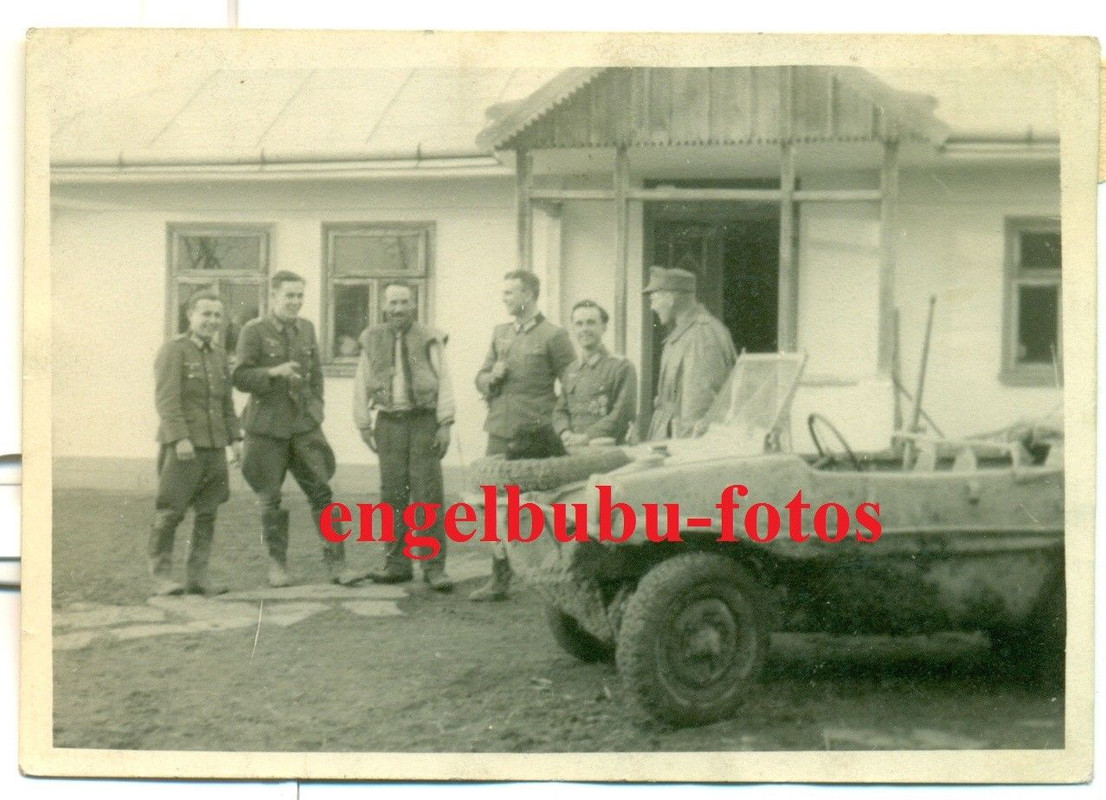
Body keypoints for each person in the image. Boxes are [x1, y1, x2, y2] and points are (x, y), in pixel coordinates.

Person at [233, 271, 356, 587]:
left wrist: (317, 408)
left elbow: (316, 376)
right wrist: (273, 372)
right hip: (266, 428)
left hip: (303, 426)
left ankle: (337, 566)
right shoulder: (253, 331)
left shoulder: (307, 328)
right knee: (269, 498)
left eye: (300, 295)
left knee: (322, 492)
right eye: (289, 295)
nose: (295, 302)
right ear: (274, 296)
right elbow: (240, 377)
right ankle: (277, 567)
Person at [471, 269, 576, 601]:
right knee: (494, 504)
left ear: (528, 295)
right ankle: (499, 577)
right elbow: (480, 377)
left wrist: (563, 424)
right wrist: (490, 377)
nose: (504, 299)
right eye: (503, 293)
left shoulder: (553, 336)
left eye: (509, 293)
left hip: (536, 434)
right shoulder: (500, 333)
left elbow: (572, 384)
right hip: (500, 430)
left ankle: (558, 577)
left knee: (544, 507)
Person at [353, 281, 455, 591]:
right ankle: (396, 564)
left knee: (427, 495)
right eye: (393, 303)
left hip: (423, 421)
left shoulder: (430, 337)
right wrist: (363, 424)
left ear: (413, 305)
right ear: (384, 306)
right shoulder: (371, 338)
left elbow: (445, 380)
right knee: (392, 495)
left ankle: (433, 567)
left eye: (404, 302)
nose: (398, 309)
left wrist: (445, 423)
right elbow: (361, 381)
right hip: (388, 423)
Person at [149, 291, 242, 597]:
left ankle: (198, 577)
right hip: (184, 447)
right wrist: (180, 438)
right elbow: (166, 400)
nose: (212, 321)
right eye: (206, 314)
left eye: (217, 315)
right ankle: (161, 576)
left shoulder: (219, 354)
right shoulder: (174, 350)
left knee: (208, 511)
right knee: (170, 511)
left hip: (214, 446)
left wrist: (235, 438)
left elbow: (226, 402)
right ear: (190, 315)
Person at [645, 267, 737, 441]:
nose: (652, 307)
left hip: (683, 443)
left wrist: (686, 450)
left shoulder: (700, 335)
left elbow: (698, 407)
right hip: (670, 437)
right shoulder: (684, 332)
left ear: (670, 298)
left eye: (654, 299)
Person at [552, 299, 637, 447]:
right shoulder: (571, 369)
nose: (584, 329)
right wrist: (565, 433)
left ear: (604, 327)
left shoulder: (621, 367)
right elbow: (560, 410)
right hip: (573, 448)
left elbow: (621, 414)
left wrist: (587, 437)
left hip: (608, 450)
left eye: (590, 323)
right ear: (573, 329)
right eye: (579, 324)